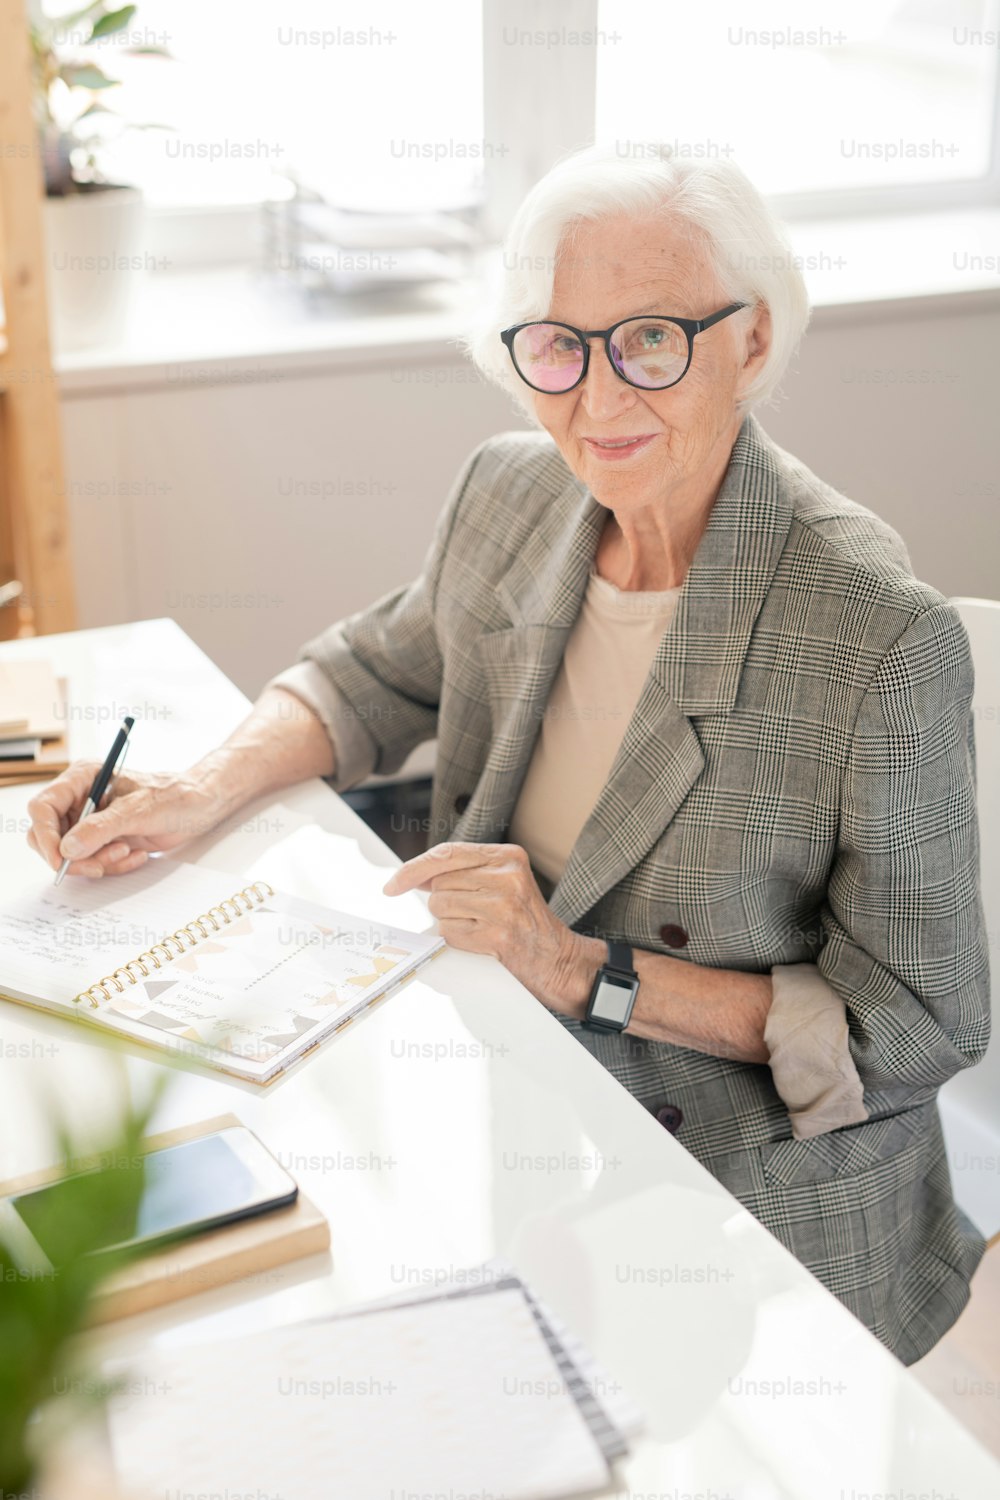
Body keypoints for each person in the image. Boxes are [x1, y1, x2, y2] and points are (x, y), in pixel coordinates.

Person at [27, 144, 989, 1364]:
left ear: (751, 342)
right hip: (491, 1062)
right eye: (557, 344)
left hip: (731, 1165)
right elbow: (368, 671)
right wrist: (195, 787)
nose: (596, 401)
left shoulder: (872, 633)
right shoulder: (510, 490)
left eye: (651, 340)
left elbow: (915, 1028)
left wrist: (581, 968)